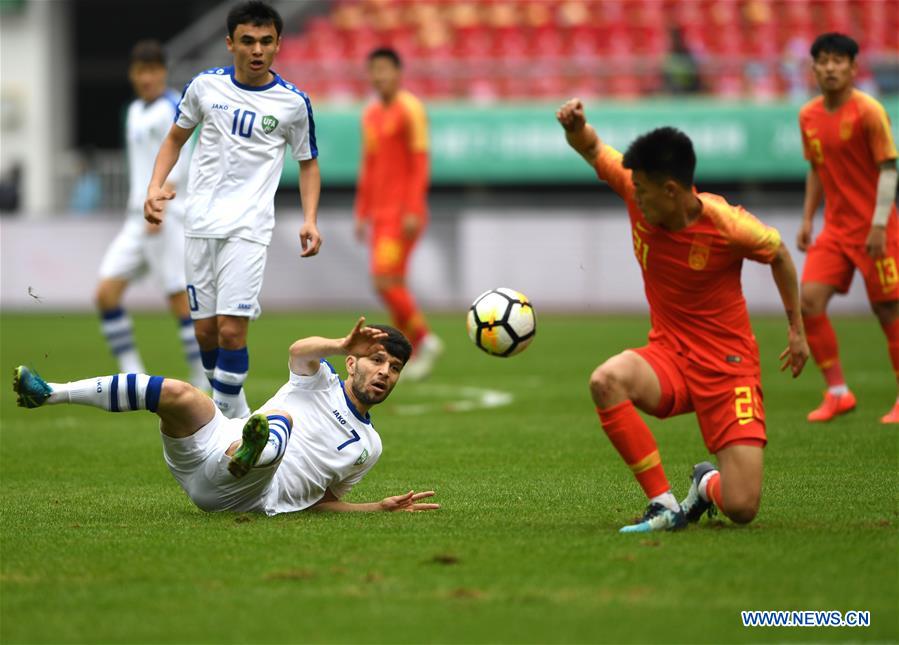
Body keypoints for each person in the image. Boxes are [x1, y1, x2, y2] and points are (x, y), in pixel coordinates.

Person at [556, 99, 809, 533]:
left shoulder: (730, 226)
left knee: (742, 507)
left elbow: (781, 254)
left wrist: (796, 328)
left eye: (645, 191)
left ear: (672, 190)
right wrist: (575, 126)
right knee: (605, 380)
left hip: (728, 369)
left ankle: (705, 484)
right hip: (669, 356)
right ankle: (662, 504)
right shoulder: (636, 186)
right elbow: (593, 147)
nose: (634, 195)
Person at [13, 318, 440, 515]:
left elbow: (324, 502)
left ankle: (250, 453)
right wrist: (340, 341)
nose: (385, 372)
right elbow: (298, 351)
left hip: (246, 495)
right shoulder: (321, 379)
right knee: (178, 393)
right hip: (215, 447)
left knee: (279, 424)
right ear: (352, 363)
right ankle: (50, 394)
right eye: (377, 360)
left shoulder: (370, 447)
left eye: (395, 367)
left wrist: (377, 508)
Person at [145, 1, 322, 419]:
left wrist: (310, 217)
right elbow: (174, 139)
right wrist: (154, 187)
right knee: (205, 331)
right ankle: (238, 416)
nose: (256, 49)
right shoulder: (205, 87)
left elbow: (308, 162)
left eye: (266, 41)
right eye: (247, 41)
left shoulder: (293, 103)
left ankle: (222, 427)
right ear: (230, 44)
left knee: (230, 329)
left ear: (279, 44)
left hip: (249, 228)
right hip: (200, 225)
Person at [797, 32, 899, 424]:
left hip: (876, 228)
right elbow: (816, 169)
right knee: (808, 302)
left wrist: (878, 224)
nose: (830, 67)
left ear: (854, 67)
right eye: (822, 60)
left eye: (838, 60)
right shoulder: (808, 116)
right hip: (836, 230)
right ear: (814, 68)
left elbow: (889, 170)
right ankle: (838, 392)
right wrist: (808, 217)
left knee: (888, 310)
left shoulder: (870, 112)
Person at [95, 40, 205, 389]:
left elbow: (182, 164)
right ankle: (132, 371)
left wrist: (160, 204)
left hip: (166, 214)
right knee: (105, 294)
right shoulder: (133, 111)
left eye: (153, 70)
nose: (147, 78)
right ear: (132, 74)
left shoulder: (173, 106)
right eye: (141, 71)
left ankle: (201, 377)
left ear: (163, 72)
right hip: (135, 218)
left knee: (178, 297)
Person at [354, 47, 442, 381]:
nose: (379, 76)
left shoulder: (411, 109)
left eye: (385, 69)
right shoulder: (371, 114)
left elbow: (420, 163)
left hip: (402, 213)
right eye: (374, 70)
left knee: (383, 280)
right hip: (380, 213)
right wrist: (362, 211)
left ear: (398, 72)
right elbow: (370, 165)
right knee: (393, 283)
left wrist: (413, 208)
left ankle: (423, 338)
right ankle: (413, 351)